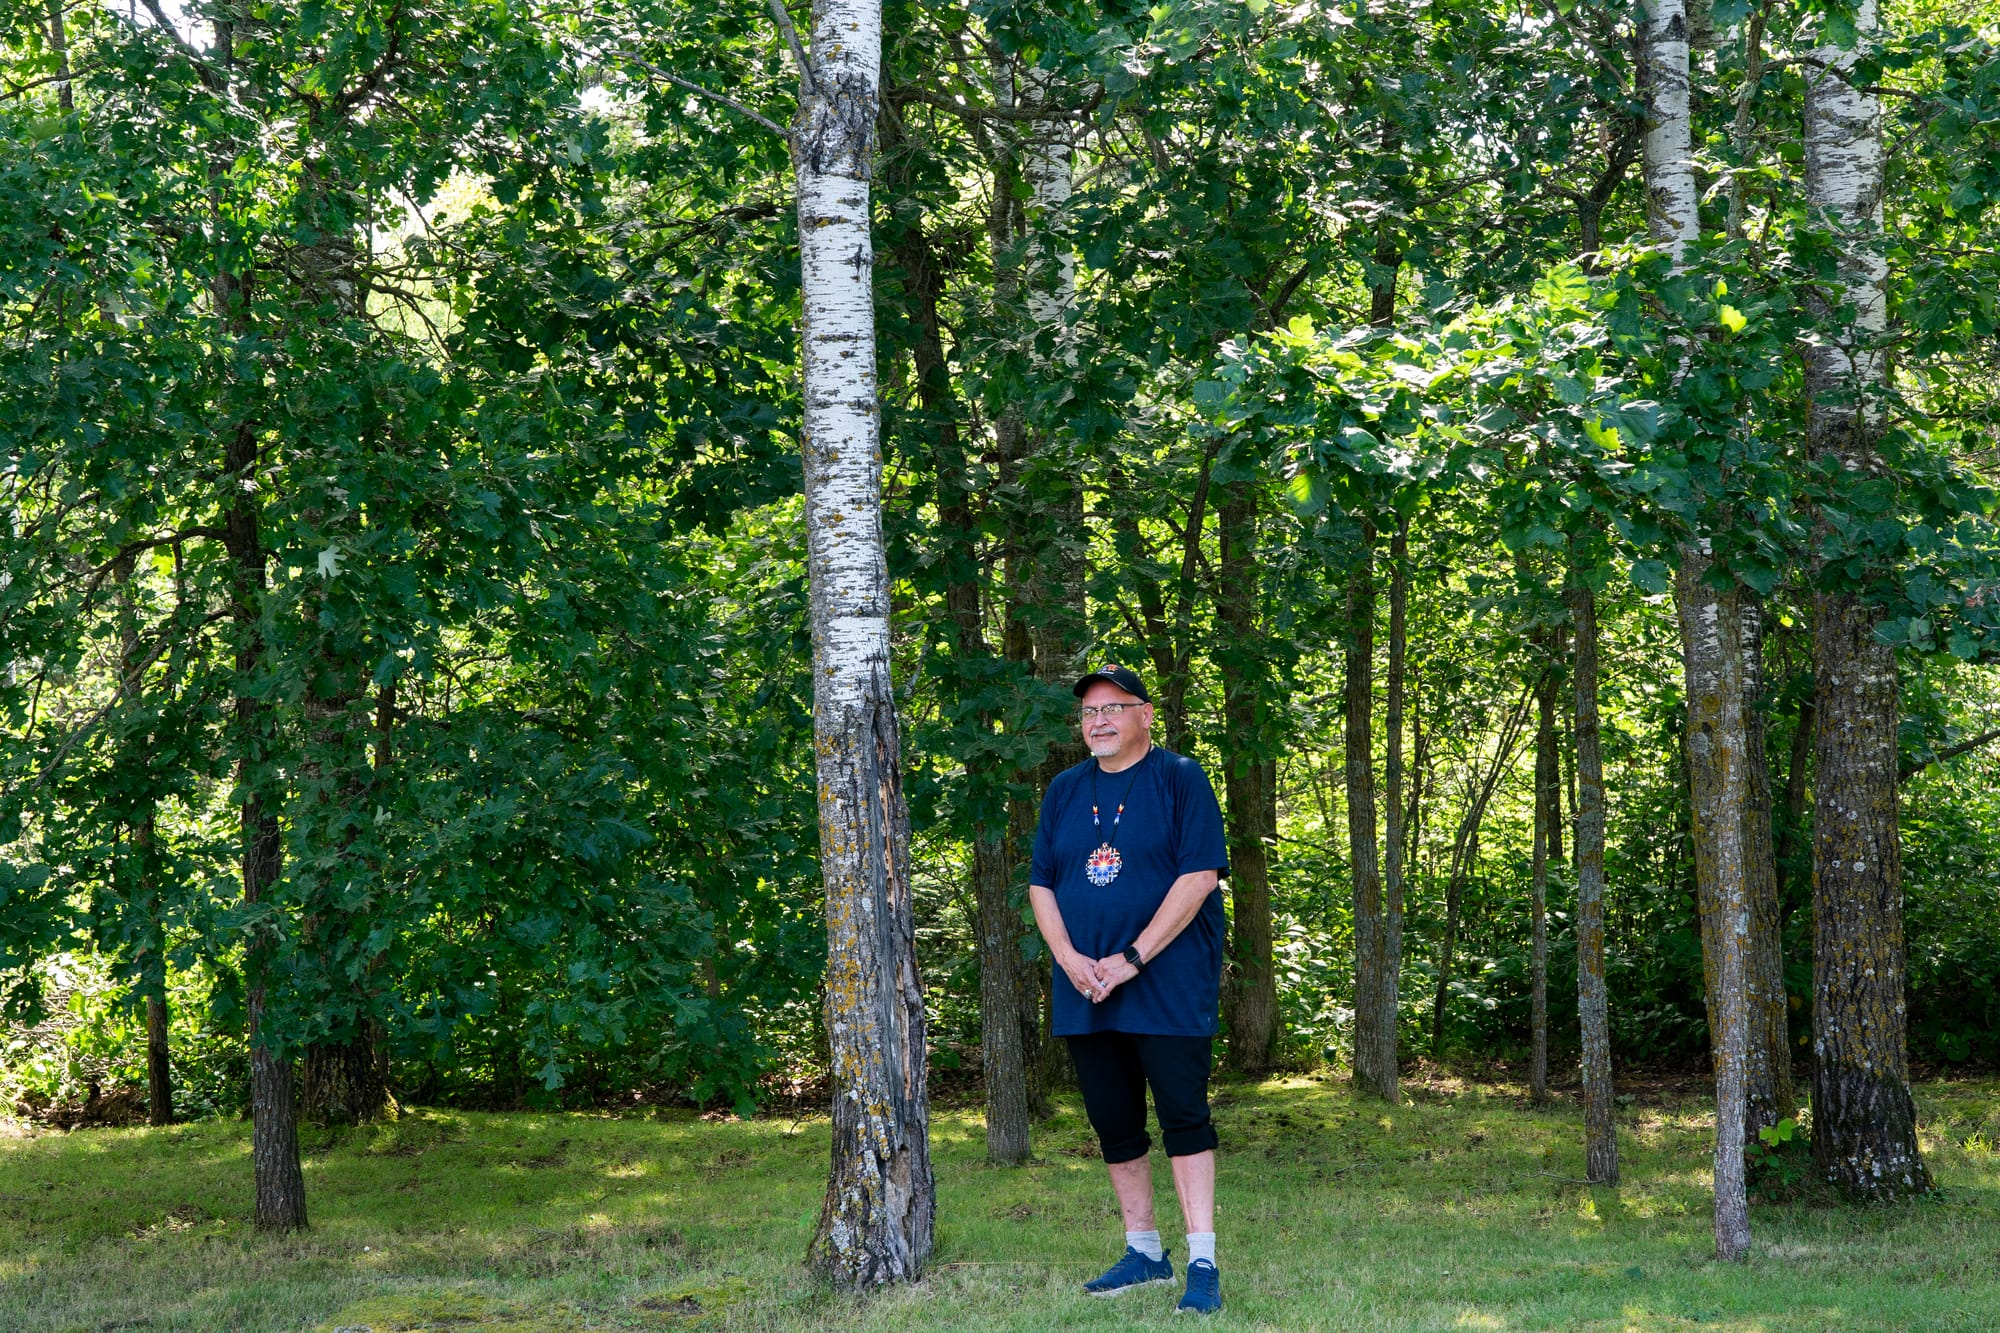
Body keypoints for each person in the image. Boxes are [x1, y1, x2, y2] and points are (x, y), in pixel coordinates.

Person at [1028, 662, 1230, 1315]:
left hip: (1166, 982)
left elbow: (1200, 876)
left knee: (1183, 1116)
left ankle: (1202, 1260)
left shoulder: (1180, 778)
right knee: (1114, 1120)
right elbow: (1042, 883)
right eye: (1089, 711)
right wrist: (1069, 957)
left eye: (1114, 707)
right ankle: (1144, 1250)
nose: (1099, 720)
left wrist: (1132, 958)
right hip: (1086, 985)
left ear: (1146, 713)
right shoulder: (1063, 788)